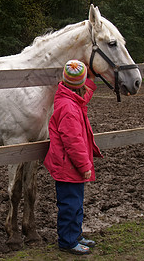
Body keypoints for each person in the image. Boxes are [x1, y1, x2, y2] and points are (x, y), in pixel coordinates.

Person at [44, 60, 103, 255]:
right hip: (68, 166)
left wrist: (91, 81)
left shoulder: (71, 98)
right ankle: (67, 241)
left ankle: (75, 234)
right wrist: (84, 165)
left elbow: (84, 96)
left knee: (76, 203)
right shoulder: (69, 109)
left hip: (70, 166)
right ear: (80, 84)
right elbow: (73, 142)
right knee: (70, 205)